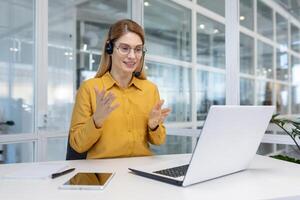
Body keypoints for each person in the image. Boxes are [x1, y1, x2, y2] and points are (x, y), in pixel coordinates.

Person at [69, 19, 171, 159]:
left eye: (138, 49)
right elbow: (77, 145)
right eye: (124, 48)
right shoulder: (90, 88)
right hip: (103, 174)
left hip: (141, 172)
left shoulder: (150, 89)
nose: (132, 56)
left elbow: (159, 141)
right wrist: (96, 120)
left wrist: (153, 126)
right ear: (110, 49)